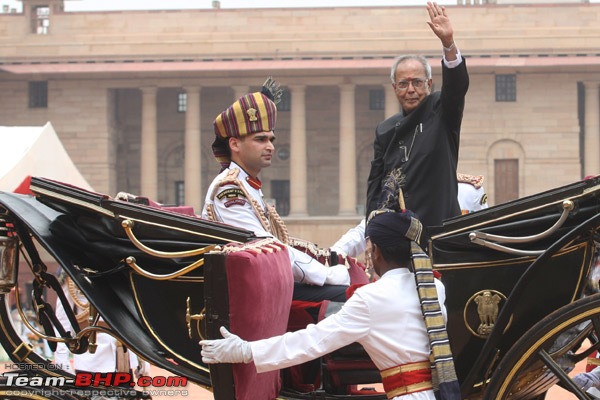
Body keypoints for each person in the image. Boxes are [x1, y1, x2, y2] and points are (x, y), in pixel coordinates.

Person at [200, 208, 461, 400]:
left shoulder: (371, 299)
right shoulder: (433, 287)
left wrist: (246, 351)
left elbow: (311, 342)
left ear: (376, 252)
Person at [201, 77, 350, 302]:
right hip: (254, 293)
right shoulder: (229, 189)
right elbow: (268, 249)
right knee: (348, 298)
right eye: (260, 139)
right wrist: (326, 274)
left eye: (271, 139)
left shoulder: (245, 184)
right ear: (234, 144)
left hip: (265, 283)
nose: (270, 146)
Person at [365, 2, 469, 243]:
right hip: (398, 240)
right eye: (403, 84)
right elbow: (375, 187)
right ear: (394, 88)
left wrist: (448, 44)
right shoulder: (385, 130)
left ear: (429, 85)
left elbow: (457, 87)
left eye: (417, 82)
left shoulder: (442, 111)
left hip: (441, 234)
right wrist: (370, 234)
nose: (410, 90)